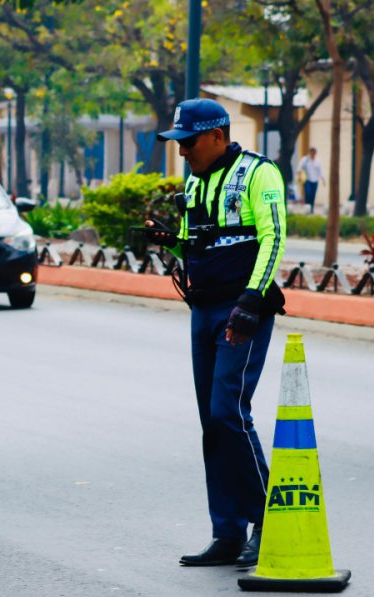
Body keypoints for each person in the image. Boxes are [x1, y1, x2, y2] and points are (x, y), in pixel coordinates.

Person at [144, 99, 287, 568]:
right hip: (203, 310)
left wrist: (251, 300)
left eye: (188, 141)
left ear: (218, 136)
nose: (182, 151)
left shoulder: (259, 174)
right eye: (178, 143)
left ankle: (270, 520)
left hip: (240, 309)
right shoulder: (195, 180)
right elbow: (202, 239)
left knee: (229, 412)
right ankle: (227, 531)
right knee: (212, 422)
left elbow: (273, 237)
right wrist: (171, 241)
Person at [297, 147, 324, 214]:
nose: (313, 155)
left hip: (315, 180)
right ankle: (307, 208)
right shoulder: (305, 159)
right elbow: (299, 168)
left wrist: (323, 179)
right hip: (307, 180)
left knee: (313, 195)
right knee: (308, 193)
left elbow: (320, 171)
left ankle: (311, 209)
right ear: (309, 153)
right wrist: (300, 176)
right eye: (311, 153)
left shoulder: (318, 161)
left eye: (314, 153)